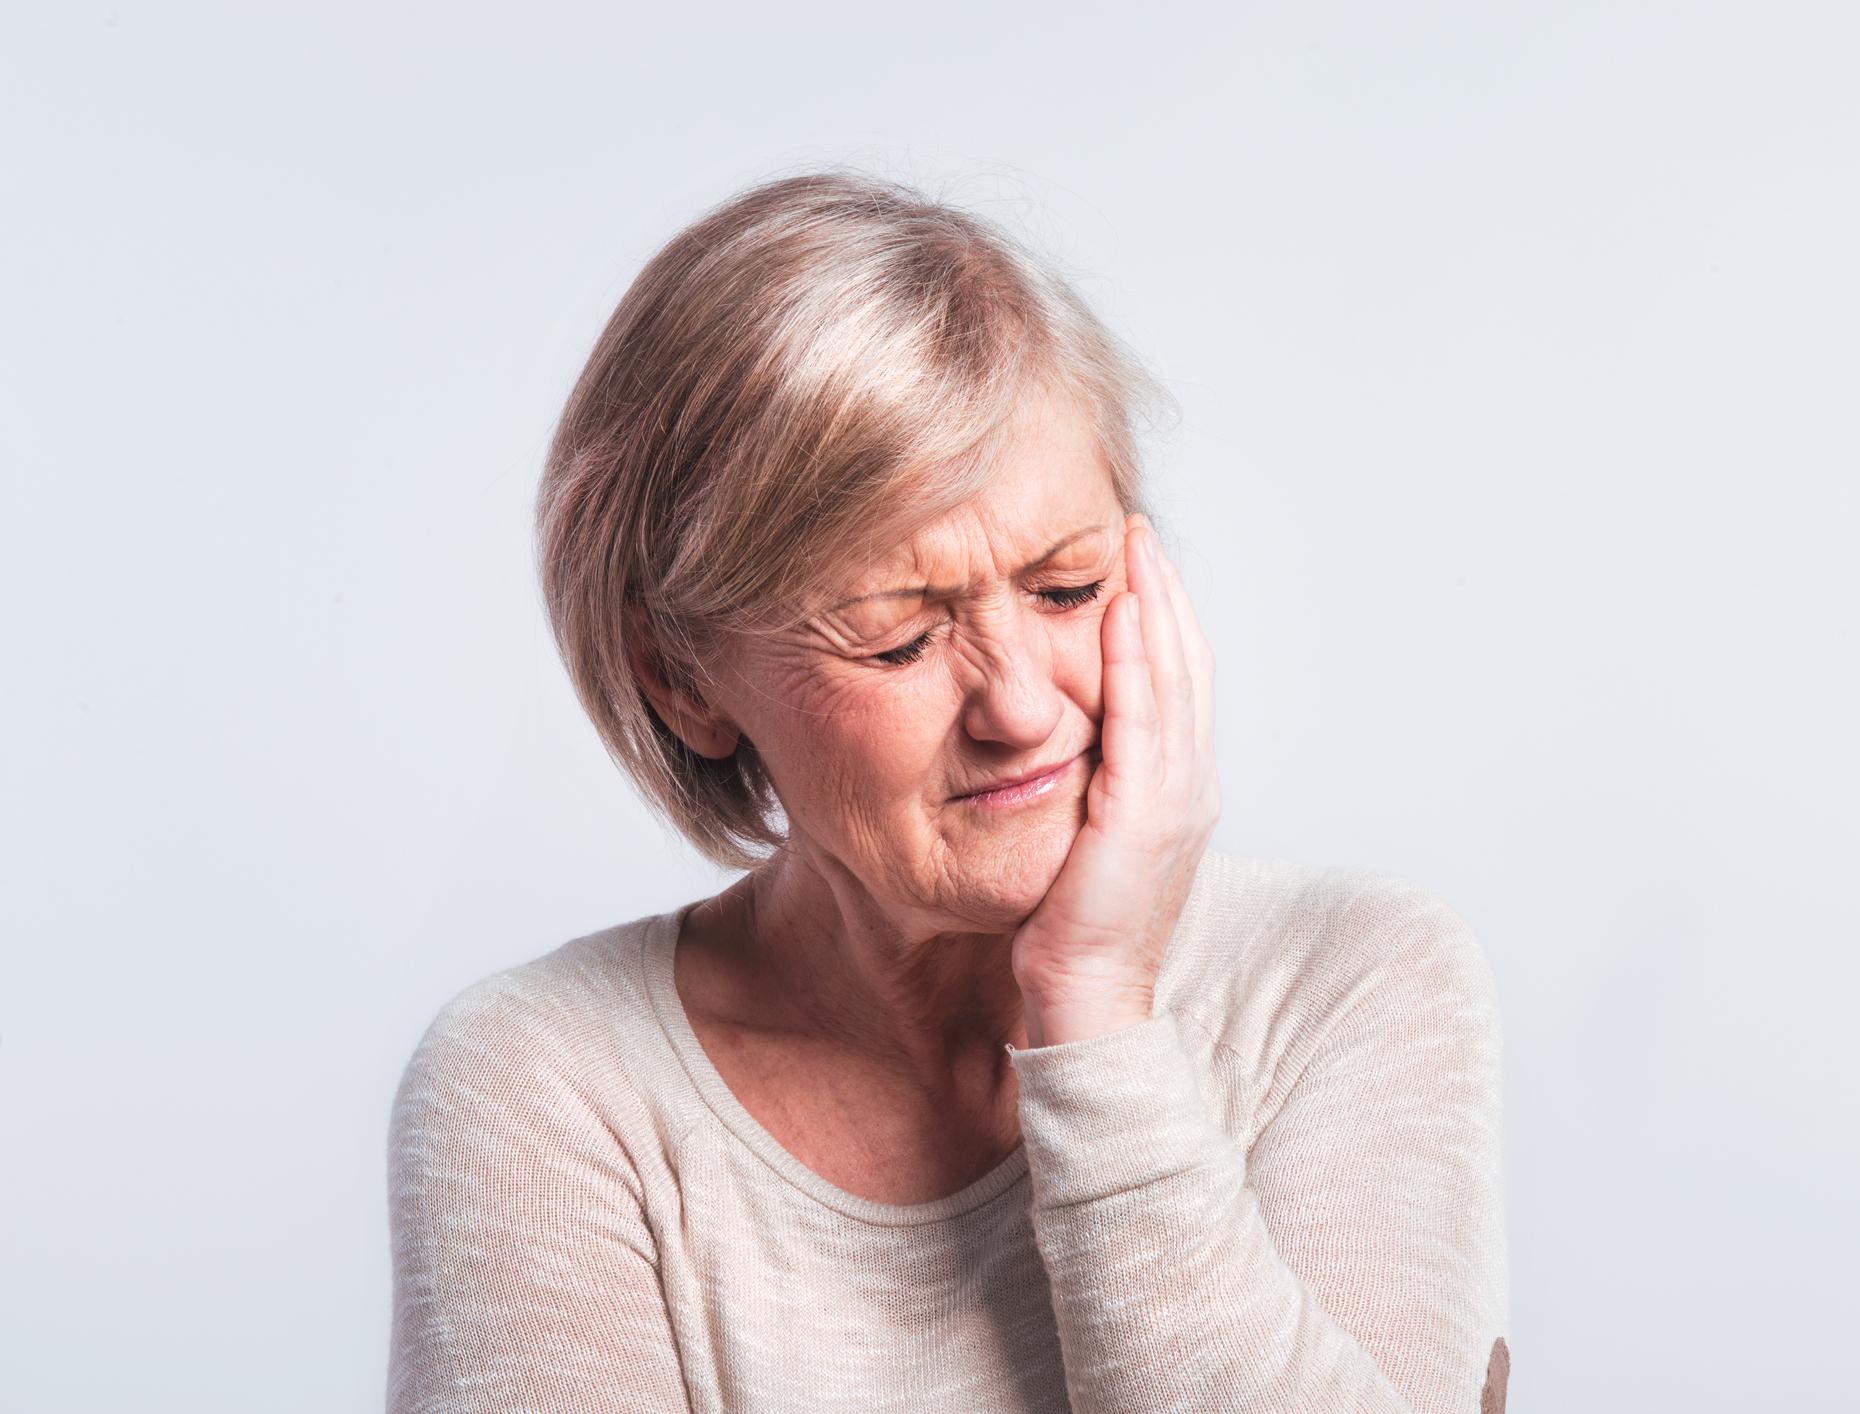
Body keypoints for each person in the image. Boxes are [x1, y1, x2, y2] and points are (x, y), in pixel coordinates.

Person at [387, 172, 1509, 1414]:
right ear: (682, 679)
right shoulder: (549, 1088)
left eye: (1069, 587)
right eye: (895, 638)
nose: (1021, 707)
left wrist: (1093, 1013)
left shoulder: (1352, 982)